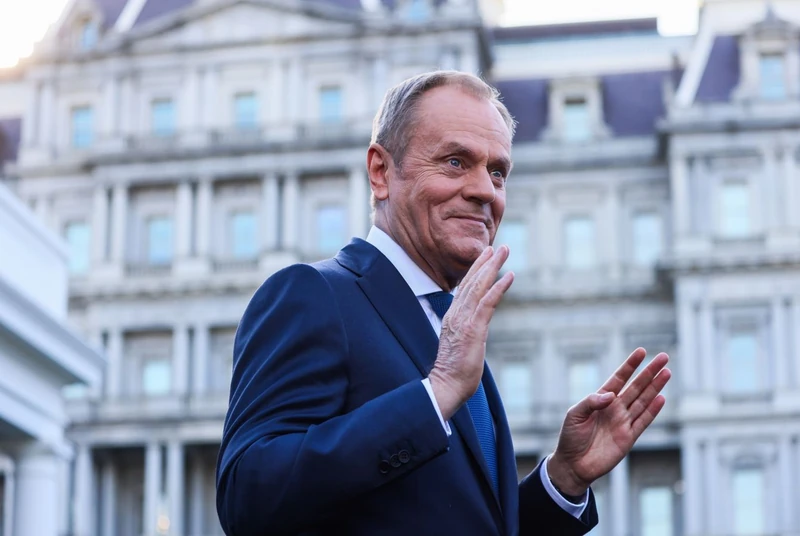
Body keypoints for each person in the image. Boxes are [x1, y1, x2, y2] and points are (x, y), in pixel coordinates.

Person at [216, 71, 671, 536]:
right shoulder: (314, 294)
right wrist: (435, 394)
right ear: (381, 172)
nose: (485, 190)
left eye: (498, 172)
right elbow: (247, 497)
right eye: (455, 162)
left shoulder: (449, 326)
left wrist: (564, 480)